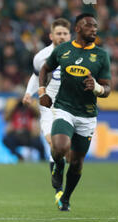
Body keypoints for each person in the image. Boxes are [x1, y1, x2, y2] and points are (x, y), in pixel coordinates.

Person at [38, 13, 111, 211]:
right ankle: (57, 164)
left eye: (96, 26)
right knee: (60, 146)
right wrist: (42, 92)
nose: (94, 29)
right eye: (89, 26)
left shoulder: (102, 55)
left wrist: (96, 87)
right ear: (78, 29)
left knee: (77, 162)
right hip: (64, 108)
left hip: (87, 115)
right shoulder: (63, 50)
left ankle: (66, 198)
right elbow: (44, 70)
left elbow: (107, 89)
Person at [22, 18, 71, 201]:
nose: (62, 36)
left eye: (65, 33)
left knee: (68, 151)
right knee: (54, 143)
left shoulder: (79, 55)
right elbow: (36, 77)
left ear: (70, 35)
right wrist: (29, 93)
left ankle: (57, 169)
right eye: (58, 33)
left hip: (71, 106)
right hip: (49, 106)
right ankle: (59, 189)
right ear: (51, 36)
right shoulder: (41, 57)